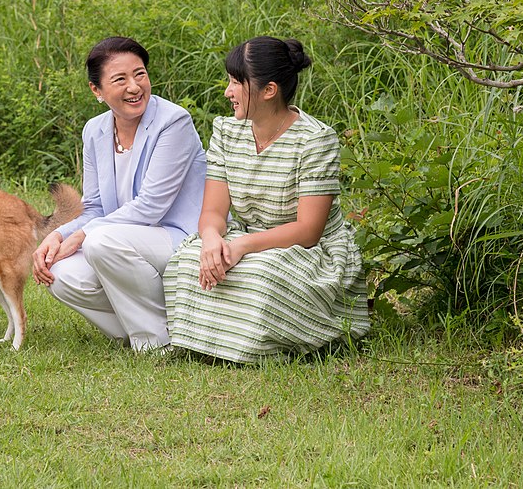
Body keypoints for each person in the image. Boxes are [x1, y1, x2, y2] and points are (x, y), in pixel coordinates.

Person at [163, 36, 370, 364]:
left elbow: (308, 231)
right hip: (246, 236)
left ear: (268, 90)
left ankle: (271, 343)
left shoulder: (316, 140)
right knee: (188, 263)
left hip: (307, 250)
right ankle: (222, 343)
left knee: (261, 276)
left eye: (235, 83)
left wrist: (243, 246)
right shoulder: (227, 132)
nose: (227, 92)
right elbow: (214, 212)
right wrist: (213, 239)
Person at [32, 36, 207, 352]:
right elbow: (95, 206)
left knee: (101, 243)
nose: (134, 86)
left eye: (140, 74)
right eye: (120, 79)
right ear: (96, 91)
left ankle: (157, 343)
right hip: (121, 242)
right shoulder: (95, 131)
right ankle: (144, 329)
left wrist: (83, 235)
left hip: (180, 237)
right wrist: (57, 236)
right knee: (61, 272)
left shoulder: (174, 122)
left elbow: (151, 206)